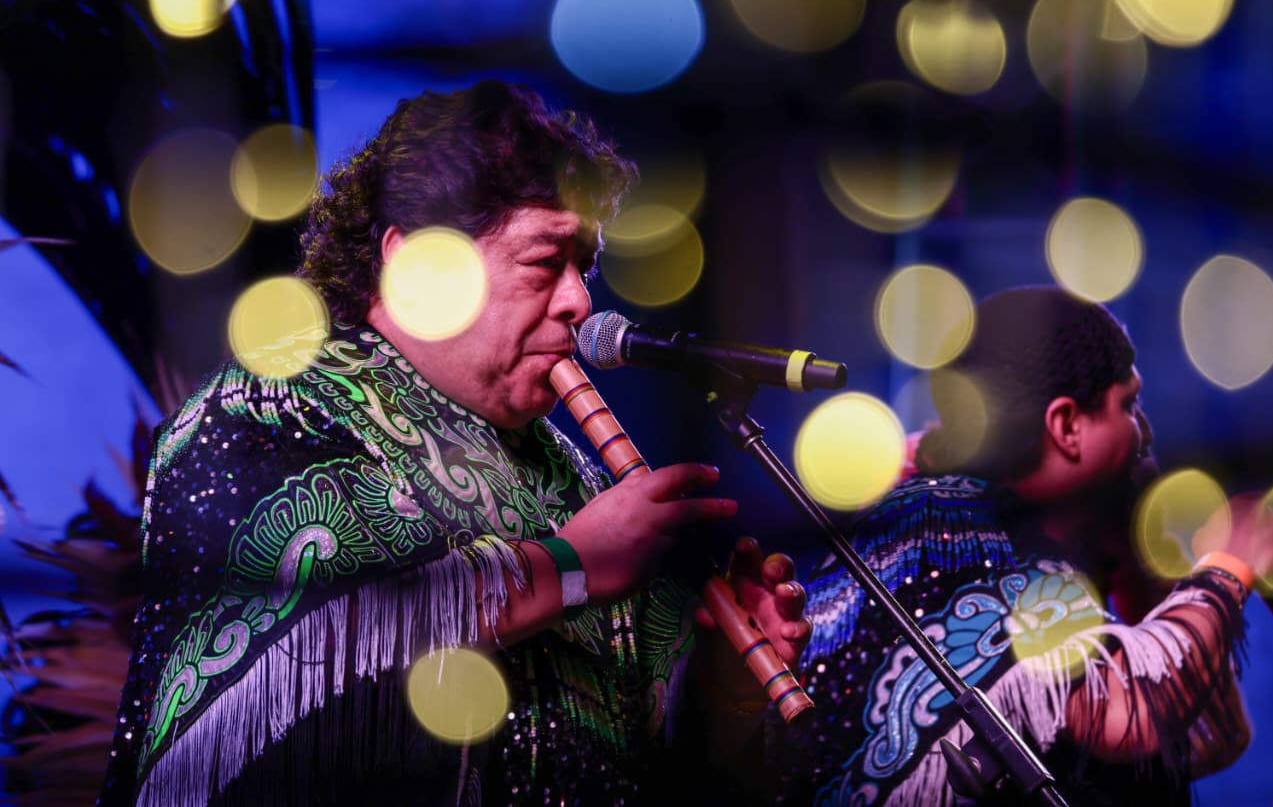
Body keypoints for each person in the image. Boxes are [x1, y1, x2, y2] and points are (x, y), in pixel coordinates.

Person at [100, 80, 811, 806]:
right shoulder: (268, 406)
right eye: (546, 262)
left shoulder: (574, 478)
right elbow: (305, 659)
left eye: (584, 267)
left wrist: (723, 685)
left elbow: (650, 764)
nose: (579, 301)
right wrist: (569, 565)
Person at [775, 284, 1273, 806]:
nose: (1145, 433)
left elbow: (1208, 740)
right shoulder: (954, 533)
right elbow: (1130, 714)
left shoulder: (964, 517)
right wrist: (1231, 563)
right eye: (1129, 404)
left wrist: (1140, 580)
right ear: (1066, 424)